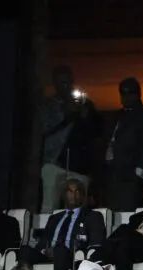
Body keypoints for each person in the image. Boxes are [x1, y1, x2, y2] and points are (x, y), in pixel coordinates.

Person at [40, 66, 101, 212]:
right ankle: (48, 233)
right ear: (54, 83)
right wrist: (68, 115)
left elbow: (96, 133)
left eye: (68, 82)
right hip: (54, 162)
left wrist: (86, 114)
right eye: (61, 82)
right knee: (50, 205)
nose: (65, 86)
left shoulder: (85, 104)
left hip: (79, 165)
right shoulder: (48, 105)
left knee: (79, 206)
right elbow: (44, 128)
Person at [104, 77, 143, 211]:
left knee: (128, 209)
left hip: (130, 171)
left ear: (138, 94)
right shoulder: (117, 115)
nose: (125, 97)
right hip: (113, 172)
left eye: (130, 93)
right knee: (112, 210)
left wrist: (139, 171)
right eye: (122, 93)